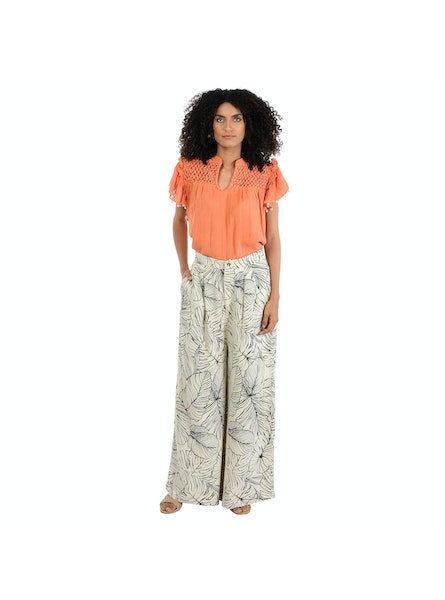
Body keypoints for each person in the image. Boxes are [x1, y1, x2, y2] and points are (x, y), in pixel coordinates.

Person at [160, 88, 289, 515]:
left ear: (250, 124)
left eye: (236, 118)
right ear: (207, 124)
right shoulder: (190, 168)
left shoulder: (265, 172)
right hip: (204, 278)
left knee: (250, 386)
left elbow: (273, 237)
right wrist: (185, 270)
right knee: (198, 382)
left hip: (252, 281)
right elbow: (179, 220)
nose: (228, 127)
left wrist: (274, 294)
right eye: (220, 118)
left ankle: (240, 488)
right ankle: (185, 484)